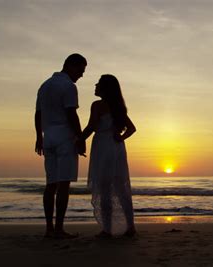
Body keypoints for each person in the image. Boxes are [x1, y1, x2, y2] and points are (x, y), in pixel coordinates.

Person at [35, 53, 87, 239]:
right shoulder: (68, 86)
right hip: (64, 137)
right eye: (81, 70)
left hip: (48, 137)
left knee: (51, 184)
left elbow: (38, 114)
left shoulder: (45, 85)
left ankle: (49, 228)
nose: (81, 75)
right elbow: (71, 114)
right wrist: (80, 138)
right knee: (63, 185)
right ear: (71, 66)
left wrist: (38, 137)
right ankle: (59, 229)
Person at [80, 74, 136, 237]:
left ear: (105, 88)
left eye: (98, 84)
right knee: (121, 187)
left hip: (103, 146)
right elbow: (132, 128)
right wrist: (121, 137)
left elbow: (91, 126)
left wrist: (78, 140)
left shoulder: (97, 105)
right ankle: (130, 227)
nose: (95, 86)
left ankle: (107, 229)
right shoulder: (118, 107)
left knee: (104, 187)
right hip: (117, 148)